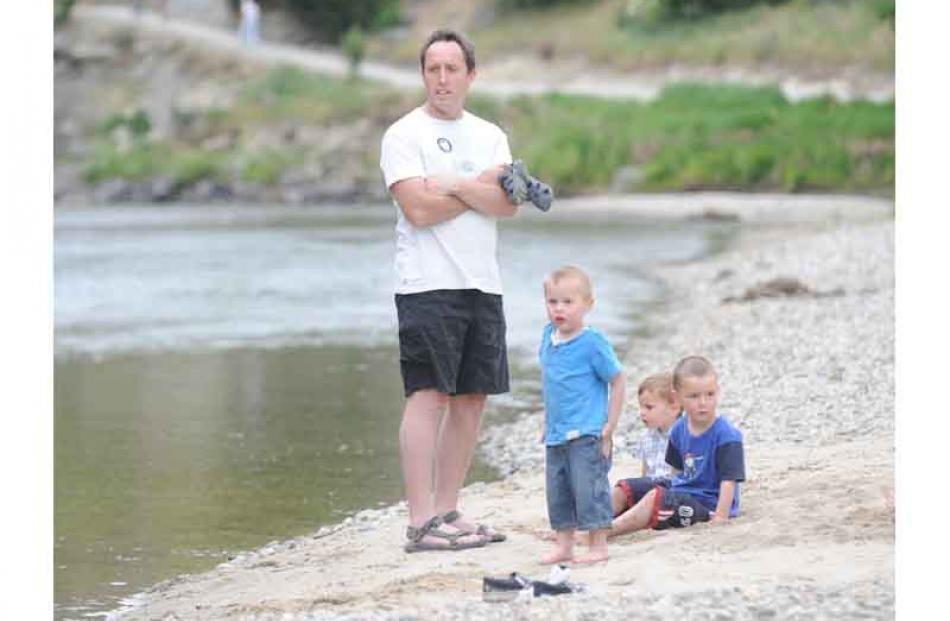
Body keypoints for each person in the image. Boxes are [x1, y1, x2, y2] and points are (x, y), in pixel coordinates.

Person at [378, 30, 520, 553]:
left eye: (451, 69)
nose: (442, 79)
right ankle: (419, 523)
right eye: (433, 69)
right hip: (426, 284)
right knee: (428, 395)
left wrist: (453, 185)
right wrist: (478, 188)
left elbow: (509, 204)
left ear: (470, 75)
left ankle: (447, 510)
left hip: (482, 281)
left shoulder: (491, 135)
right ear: (423, 75)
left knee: (471, 399)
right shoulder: (403, 135)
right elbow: (417, 209)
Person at [539, 266, 626, 565]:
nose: (559, 309)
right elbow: (553, 384)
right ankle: (564, 545)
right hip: (555, 431)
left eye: (568, 302)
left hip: (588, 431)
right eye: (553, 302)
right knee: (558, 489)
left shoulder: (592, 343)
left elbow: (617, 379)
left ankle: (598, 545)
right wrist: (546, 421)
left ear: (587, 305)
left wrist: (609, 426)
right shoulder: (547, 337)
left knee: (589, 488)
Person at [607, 355, 745, 538]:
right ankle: (592, 521)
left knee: (655, 499)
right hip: (681, 490)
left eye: (710, 394)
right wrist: (668, 490)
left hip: (707, 503)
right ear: (678, 397)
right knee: (626, 487)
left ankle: (603, 532)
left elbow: (729, 481)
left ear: (717, 391)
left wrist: (720, 516)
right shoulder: (679, 428)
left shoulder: (727, 435)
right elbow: (675, 471)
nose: (703, 402)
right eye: (694, 396)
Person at [611, 372, 681, 517]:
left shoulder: (684, 434)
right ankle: (590, 523)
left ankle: (591, 525)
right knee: (622, 500)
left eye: (649, 407)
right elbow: (645, 472)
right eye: (641, 407)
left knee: (623, 489)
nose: (642, 413)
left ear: (674, 407)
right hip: (650, 487)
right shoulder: (647, 437)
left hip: (670, 490)